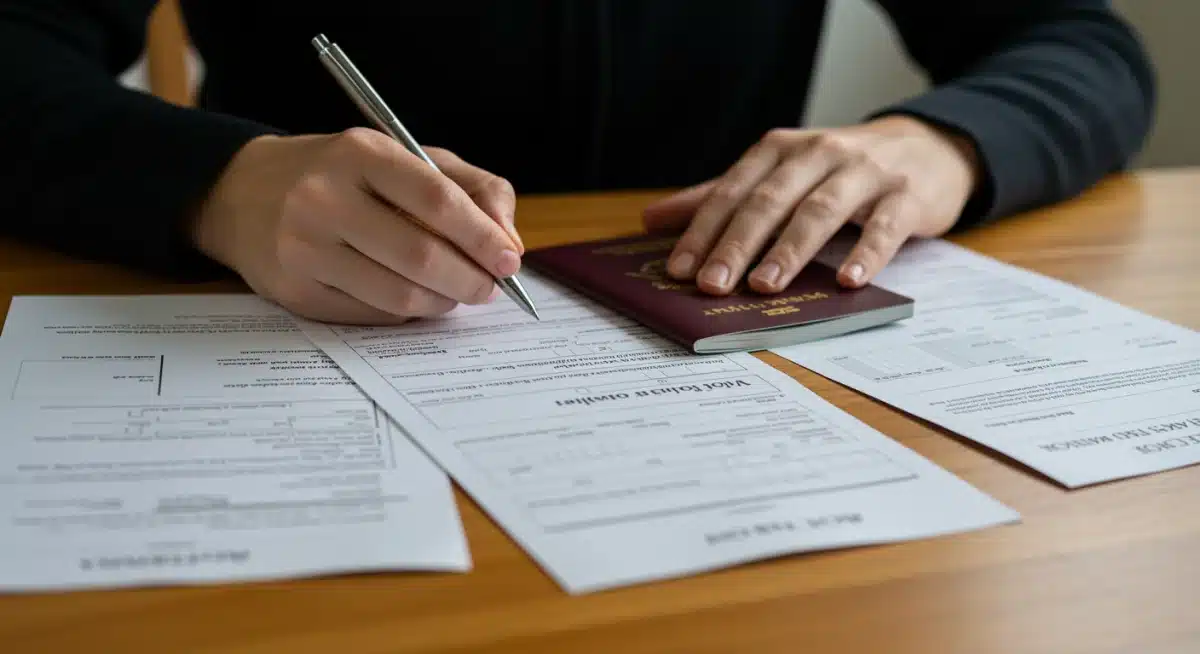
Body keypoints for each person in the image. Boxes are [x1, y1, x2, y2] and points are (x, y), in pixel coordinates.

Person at [0, 1, 1154, 324]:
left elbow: (1083, 44)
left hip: (727, 361)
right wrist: (213, 182)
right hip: (294, 326)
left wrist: (947, 141)